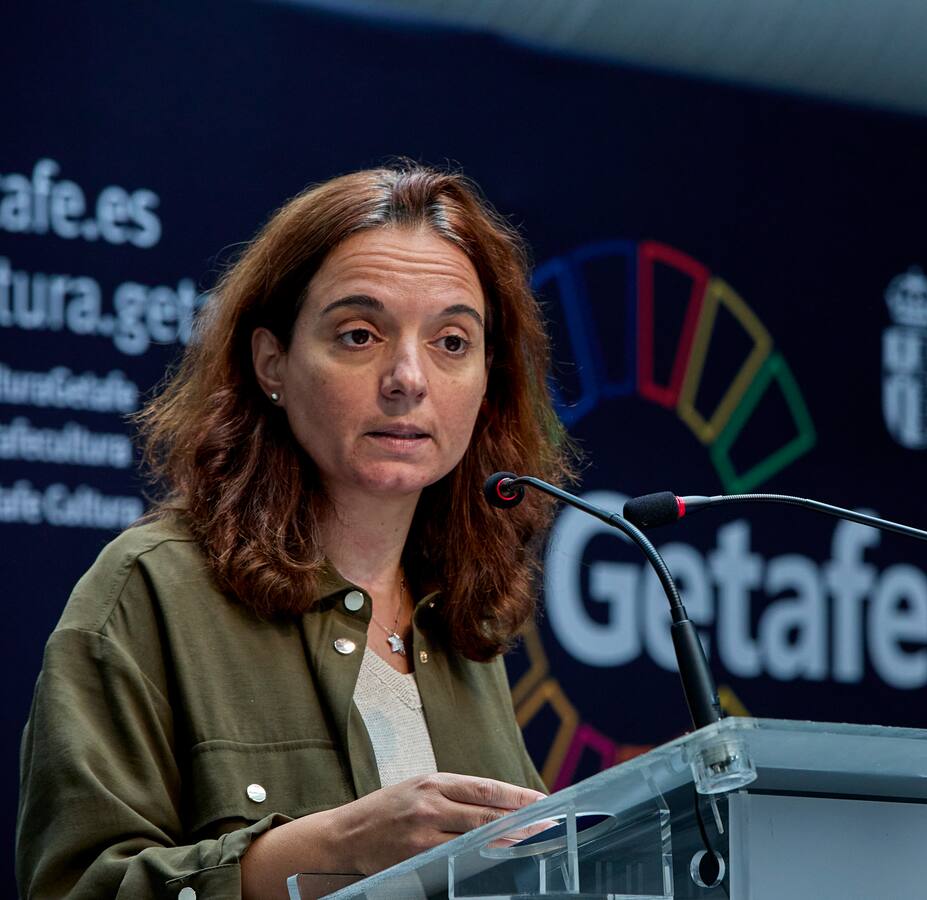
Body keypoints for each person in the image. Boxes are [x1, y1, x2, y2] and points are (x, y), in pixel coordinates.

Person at [16, 162, 574, 899]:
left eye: (451, 342)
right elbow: (75, 887)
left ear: (486, 378)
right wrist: (326, 852)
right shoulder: (150, 589)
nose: (409, 377)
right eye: (359, 334)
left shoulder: (459, 622)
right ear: (272, 362)